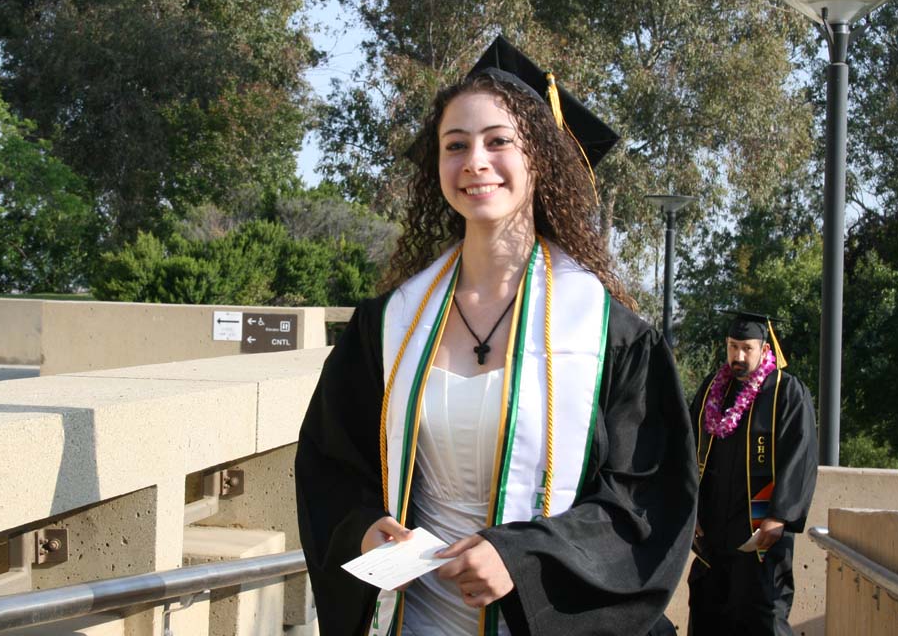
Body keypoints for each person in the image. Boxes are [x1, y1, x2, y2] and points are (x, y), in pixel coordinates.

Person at [295, 35, 698, 636]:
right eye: (455, 146)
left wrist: (522, 557)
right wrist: (362, 525)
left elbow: (644, 507)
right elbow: (330, 463)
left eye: (499, 141)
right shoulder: (388, 325)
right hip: (414, 621)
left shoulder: (611, 335)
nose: (475, 162)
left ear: (540, 158)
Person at [687, 311, 818, 635]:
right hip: (714, 532)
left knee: (763, 616)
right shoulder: (711, 392)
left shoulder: (785, 393)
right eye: (733, 347)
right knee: (709, 613)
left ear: (764, 348)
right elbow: (688, 450)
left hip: (761, 533)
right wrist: (690, 513)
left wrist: (779, 515)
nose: (738, 356)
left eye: (747, 348)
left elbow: (799, 456)